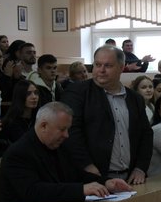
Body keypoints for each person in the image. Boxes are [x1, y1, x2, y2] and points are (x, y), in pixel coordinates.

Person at [0, 102, 132, 202]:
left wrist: (106, 182)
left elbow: (77, 175)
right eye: (62, 129)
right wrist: (81, 190)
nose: (66, 135)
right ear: (43, 126)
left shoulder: (59, 147)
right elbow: (33, 191)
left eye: (68, 129)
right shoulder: (18, 154)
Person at [61, 45, 153, 184]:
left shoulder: (135, 99)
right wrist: (86, 165)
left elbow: (146, 134)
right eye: (97, 65)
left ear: (121, 67)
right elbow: (71, 132)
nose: (101, 70)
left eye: (108, 66)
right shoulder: (77, 93)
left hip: (131, 178)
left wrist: (140, 168)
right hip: (92, 178)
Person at [0, 80, 40, 157]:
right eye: (28, 93)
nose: (34, 97)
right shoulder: (9, 122)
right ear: (20, 96)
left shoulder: (40, 118)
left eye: (36, 93)